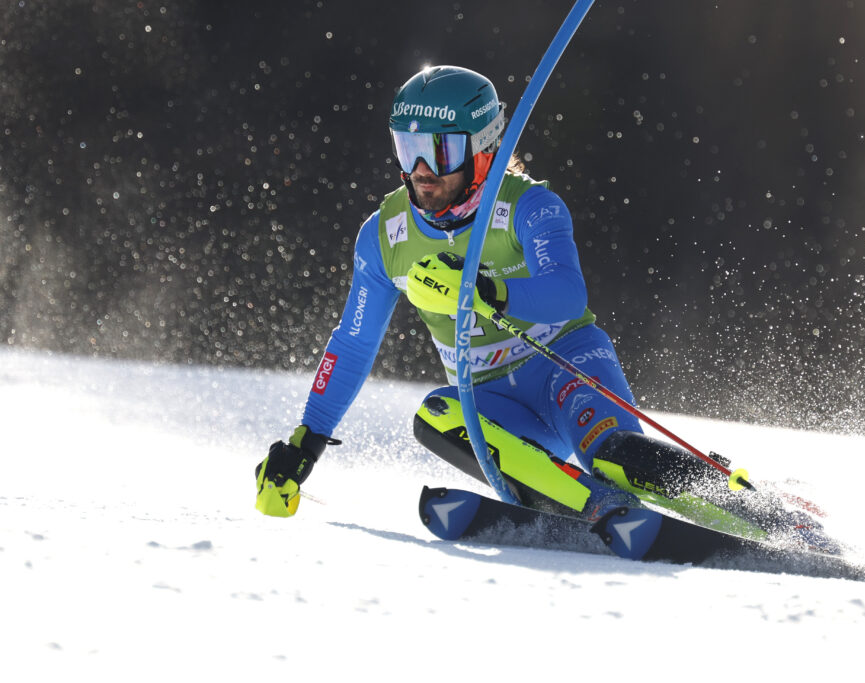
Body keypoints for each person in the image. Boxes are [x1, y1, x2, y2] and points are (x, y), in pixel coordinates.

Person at [253, 65, 773, 533]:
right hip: (491, 398)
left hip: (566, 368)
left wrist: (486, 292)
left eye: (440, 151)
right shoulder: (385, 236)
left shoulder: (529, 206)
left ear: (482, 151)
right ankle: (594, 509)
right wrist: (306, 444)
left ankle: (763, 515)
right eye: (407, 150)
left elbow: (567, 294)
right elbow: (353, 343)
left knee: (613, 455)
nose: (421, 171)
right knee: (435, 414)